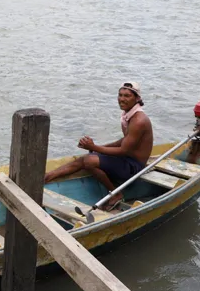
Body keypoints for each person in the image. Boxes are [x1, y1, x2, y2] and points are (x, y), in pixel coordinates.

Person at [44, 82, 153, 211]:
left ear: (137, 98)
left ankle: (115, 194)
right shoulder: (130, 115)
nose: (122, 99)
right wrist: (98, 147)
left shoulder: (138, 121)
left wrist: (95, 147)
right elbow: (125, 140)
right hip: (126, 159)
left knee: (90, 161)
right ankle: (47, 177)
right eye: (120, 95)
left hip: (134, 167)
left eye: (127, 96)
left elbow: (124, 149)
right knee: (86, 158)